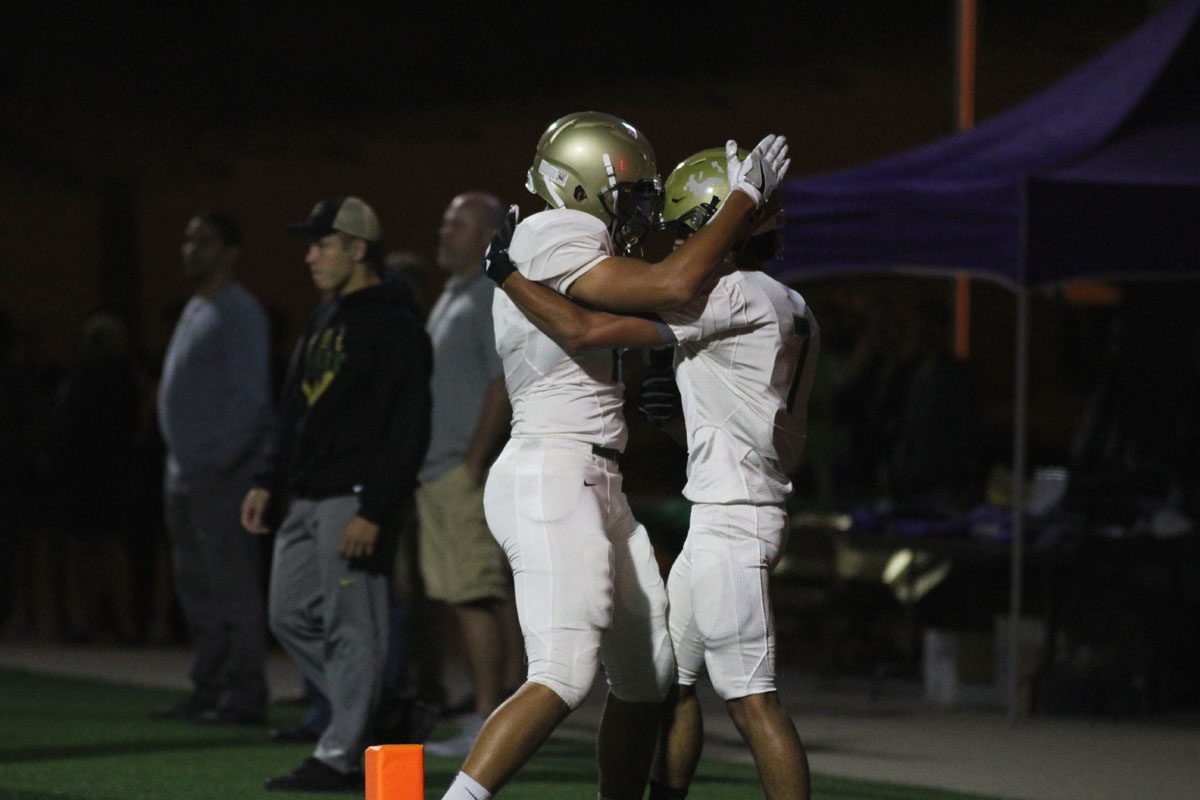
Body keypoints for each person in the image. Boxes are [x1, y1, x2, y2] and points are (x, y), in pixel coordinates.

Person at [436, 112, 789, 800]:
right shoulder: (551, 230)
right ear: (578, 186)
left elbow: (635, 312)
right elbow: (667, 287)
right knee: (562, 674)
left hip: (592, 475)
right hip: (551, 468)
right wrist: (742, 199)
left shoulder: (571, 243)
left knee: (649, 672)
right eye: (629, 195)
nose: (641, 212)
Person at [240, 196, 432, 793]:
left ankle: (342, 754)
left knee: (354, 629)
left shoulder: (394, 324)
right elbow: (296, 408)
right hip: (306, 496)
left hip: (352, 498)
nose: (310, 256)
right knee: (288, 614)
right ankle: (379, 711)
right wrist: (270, 478)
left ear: (358, 249)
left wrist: (375, 507)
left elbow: (408, 424)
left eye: (323, 244)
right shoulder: (328, 317)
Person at [154, 212, 274, 724]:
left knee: (231, 584)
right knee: (197, 585)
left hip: (217, 474)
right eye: (186, 239)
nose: (189, 250)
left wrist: (217, 461)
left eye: (202, 241)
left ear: (230, 252)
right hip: (184, 472)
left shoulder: (238, 310)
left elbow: (250, 400)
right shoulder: (197, 308)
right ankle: (211, 683)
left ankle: (244, 691)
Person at [417, 192, 524, 758]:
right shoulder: (454, 294)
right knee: (470, 592)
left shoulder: (487, 295)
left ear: (488, 234)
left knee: (474, 593)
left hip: (460, 470)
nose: (444, 230)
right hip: (440, 470)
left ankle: (487, 720)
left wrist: (473, 462)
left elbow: (500, 383)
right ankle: (493, 706)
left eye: (456, 223)